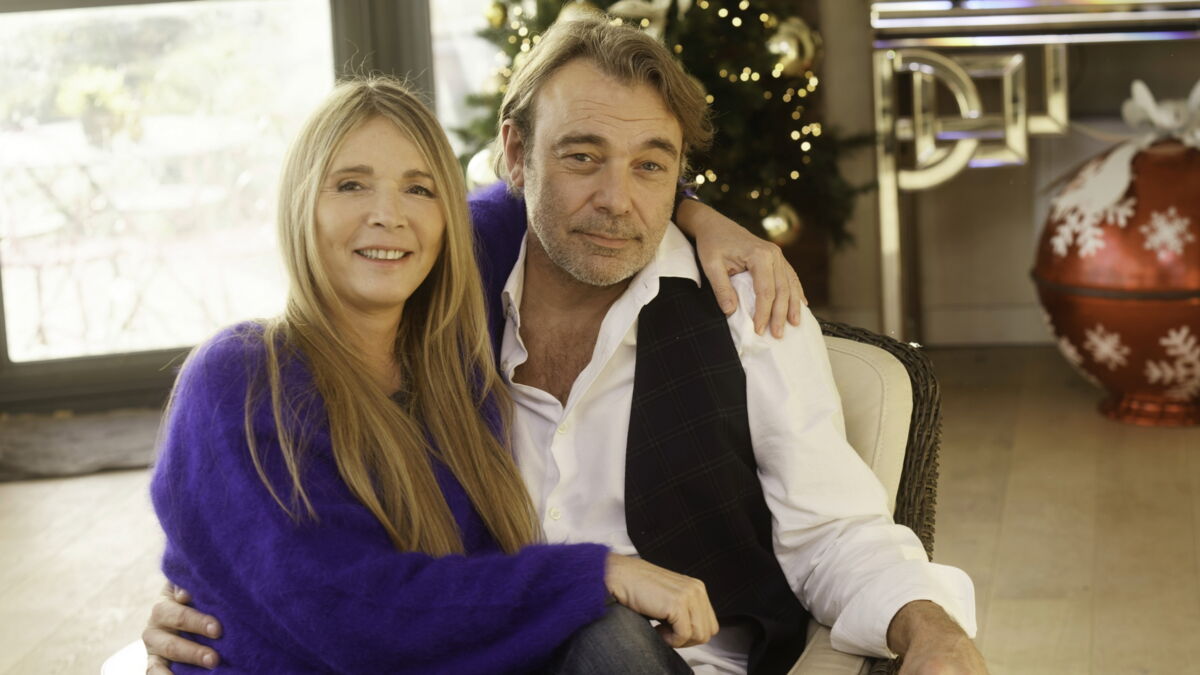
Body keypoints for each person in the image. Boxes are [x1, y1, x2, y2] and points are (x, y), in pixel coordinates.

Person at [147, 17, 987, 675]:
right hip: (480, 655)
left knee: (606, 641)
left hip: (675, 663)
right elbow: (322, 573)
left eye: (652, 166)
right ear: (516, 156)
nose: (616, 199)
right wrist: (228, 581)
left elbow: (836, 531)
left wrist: (932, 626)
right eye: (582, 157)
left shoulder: (746, 306)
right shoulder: (452, 288)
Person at [149, 74, 750, 674]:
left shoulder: (454, 342)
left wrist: (696, 214)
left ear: (447, 220)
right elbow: (345, 611)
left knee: (610, 637)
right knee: (606, 623)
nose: (388, 215)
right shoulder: (243, 376)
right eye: (351, 184)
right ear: (300, 203)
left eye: (419, 189)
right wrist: (597, 572)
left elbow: (578, 193)